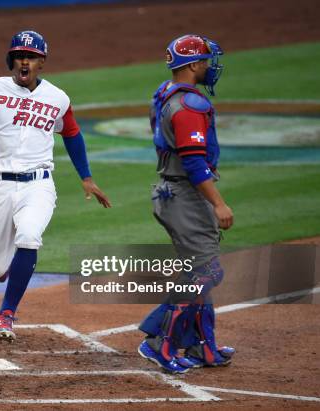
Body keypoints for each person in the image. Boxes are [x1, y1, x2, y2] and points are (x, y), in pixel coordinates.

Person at [0, 31, 111, 341]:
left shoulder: (58, 98)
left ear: (41, 62)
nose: (23, 61)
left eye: (30, 56)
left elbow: (72, 133)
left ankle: (6, 315)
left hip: (38, 185)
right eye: (18, 55)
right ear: (12, 60)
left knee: (29, 236)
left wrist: (87, 177)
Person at [137, 34, 235, 373]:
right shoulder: (190, 106)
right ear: (193, 65)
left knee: (196, 271)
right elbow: (194, 163)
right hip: (185, 194)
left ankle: (202, 346)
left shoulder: (165, 93)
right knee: (206, 272)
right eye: (206, 61)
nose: (210, 66)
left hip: (170, 189)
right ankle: (159, 343)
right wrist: (219, 204)